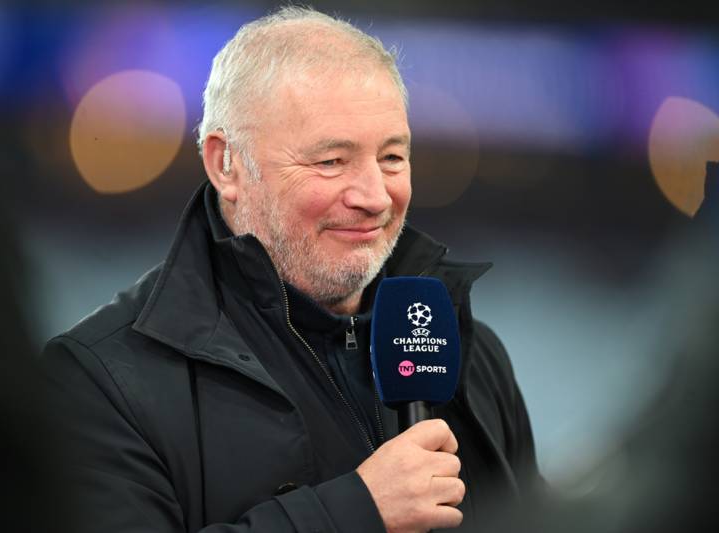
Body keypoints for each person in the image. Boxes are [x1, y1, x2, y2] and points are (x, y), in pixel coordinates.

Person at [41, 6, 542, 532]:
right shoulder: (99, 380)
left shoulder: (471, 354)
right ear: (226, 164)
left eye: (392, 158)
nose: (375, 196)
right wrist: (358, 512)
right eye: (331, 161)